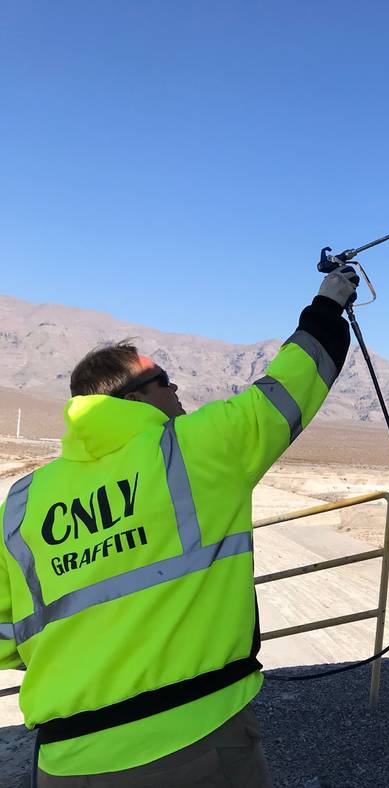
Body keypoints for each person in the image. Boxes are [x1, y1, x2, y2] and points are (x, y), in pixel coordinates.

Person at [0, 266, 360, 786]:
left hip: (64, 763)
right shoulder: (195, 447)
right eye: (165, 379)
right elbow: (291, 386)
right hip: (195, 745)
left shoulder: (22, 503)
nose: (177, 390)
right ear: (135, 397)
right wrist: (328, 305)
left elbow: (7, 640)